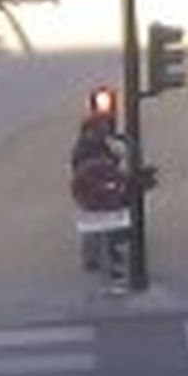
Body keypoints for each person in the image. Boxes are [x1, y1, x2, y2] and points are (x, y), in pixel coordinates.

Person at [70, 111, 129, 286]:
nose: (105, 131)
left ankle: (97, 257)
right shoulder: (88, 149)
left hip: (94, 194)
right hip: (96, 194)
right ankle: (104, 258)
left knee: (95, 228)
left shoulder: (91, 146)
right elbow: (101, 168)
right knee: (102, 226)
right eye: (101, 128)